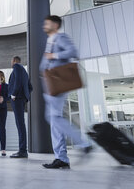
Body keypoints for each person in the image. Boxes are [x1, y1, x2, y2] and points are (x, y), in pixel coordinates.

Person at [40, 15, 92, 169]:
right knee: (54, 124)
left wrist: (53, 55)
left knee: (53, 117)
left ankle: (83, 143)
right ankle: (61, 158)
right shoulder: (50, 40)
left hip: (57, 83)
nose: (45, 25)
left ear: (55, 25)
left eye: (47, 23)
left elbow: (73, 51)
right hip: (50, 86)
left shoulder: (60, 37)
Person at [8, 56, 32, 158]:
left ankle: (22, 151)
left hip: (17, 98)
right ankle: (22, 150)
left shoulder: (17, 67)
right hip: (21, 99)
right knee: (21, 124)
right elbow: (30, 87)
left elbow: (17, 81)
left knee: (20, 124)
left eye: (11, 61)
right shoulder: (25, 72)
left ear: (14, 61)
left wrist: (14, 94)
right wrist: (26, 97)